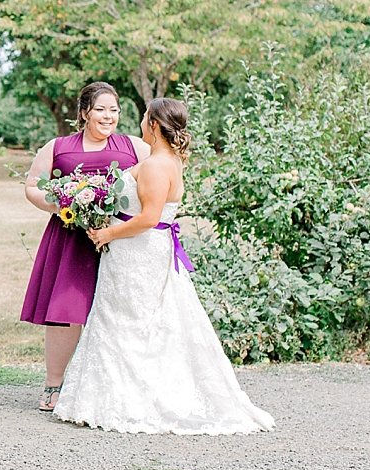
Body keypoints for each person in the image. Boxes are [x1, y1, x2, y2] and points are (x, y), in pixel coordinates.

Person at [53, 98, 274, 434]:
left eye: (144, 117)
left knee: (128, 320)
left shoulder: (157, 165)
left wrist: (107, 232)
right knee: (136, 320)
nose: (140, 122)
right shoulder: (166, 159)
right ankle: (111, 395)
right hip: (142, 250)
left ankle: (125, 402)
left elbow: (149, 218)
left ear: (154, 125)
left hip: (138, 251)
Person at [21, 82, 149, 411]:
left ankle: (119, 387)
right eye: (101, 109)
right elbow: (33, 185)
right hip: (69, 239)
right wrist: (63, 205)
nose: (108, 116)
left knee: (121, 311)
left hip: (118, 238)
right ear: (83, 113)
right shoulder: (58, 146)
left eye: (114, 110)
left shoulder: (135, 146)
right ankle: (53, 384)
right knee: (65, 312)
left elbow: (161, 173)